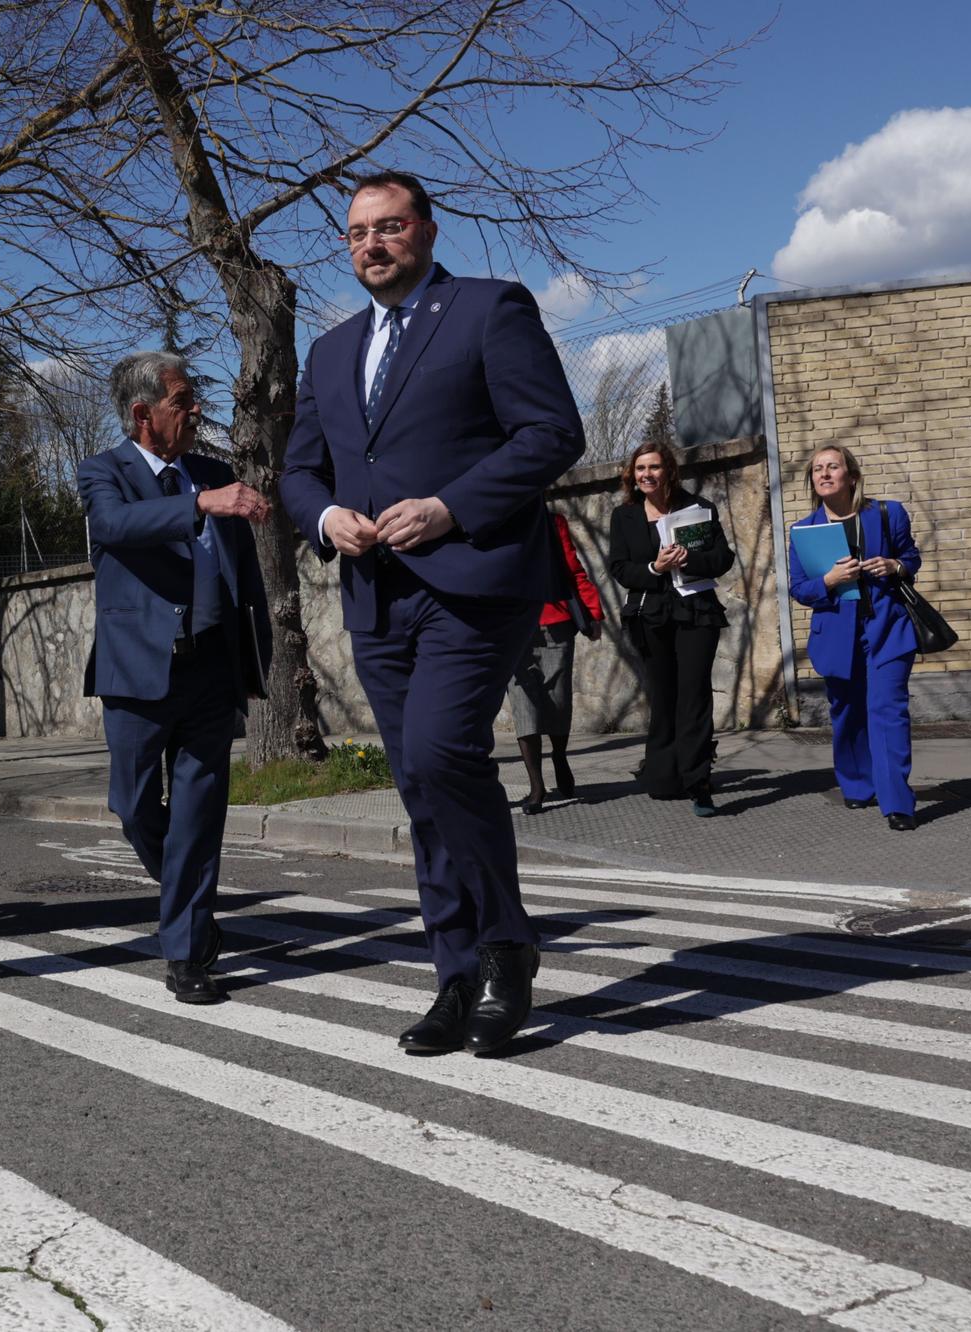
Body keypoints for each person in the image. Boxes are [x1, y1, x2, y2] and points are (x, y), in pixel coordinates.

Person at [280, 170, 585, 1055]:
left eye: (389, 226)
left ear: (426, 229)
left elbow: (553, 432)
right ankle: (455, 976)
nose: (370, 245)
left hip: (472, 579)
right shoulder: (330, 350)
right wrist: (327, 517)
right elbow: (302, 470)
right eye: (355, 233)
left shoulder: (491, 311)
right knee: (419, 787)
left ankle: (505, 947)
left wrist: (452, 505)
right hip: (375, 593)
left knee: (441, 751)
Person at [79, 351, 274, 1005]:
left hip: (212, 671)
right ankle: (187, 905)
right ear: (142, 414)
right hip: (136, 675)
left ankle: (188, 951)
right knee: (134, 808)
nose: (196, 410)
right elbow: (113, 526)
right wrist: (199, 504)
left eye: (195, 397)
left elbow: (248, 579)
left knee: (197, 817)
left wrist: (254, 661)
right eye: (182, 400)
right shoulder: (103, 474)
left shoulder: (217, 473)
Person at [787, 444, 924, 831]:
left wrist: (895, 564)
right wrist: (829, 581)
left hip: (887, 629)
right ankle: (858, 784)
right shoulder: (803, 529)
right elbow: (800, 588)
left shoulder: (886, 513)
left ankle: (897, 802)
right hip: (835, 632)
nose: (824, 474)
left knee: (887, 711)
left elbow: (911, 558)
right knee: (846, 713)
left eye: (833, 466)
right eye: (817, 469)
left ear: (851, 475)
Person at [606, 443, 735, 816]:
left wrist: (689, 559)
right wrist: (654, 569)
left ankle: (699, 782)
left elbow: (722, 558)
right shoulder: (624, 515)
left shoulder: (698, 510)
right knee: (663, 696)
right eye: (640, 468)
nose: (647, 474)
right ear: (633, 474)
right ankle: (664, 775)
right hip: (650, 615)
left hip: (696, 612)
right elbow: (619, 568)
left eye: (655, 467)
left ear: (669, 471)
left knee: (693, 696)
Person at [510, 511, 605, 815]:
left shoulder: (553, 522)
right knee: (523, 704)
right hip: (510, 627)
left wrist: (593, 612)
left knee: (557, 700)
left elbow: (572, 569)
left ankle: (560, 756)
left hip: (556, 622)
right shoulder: (487, 521)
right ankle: (536, 786)